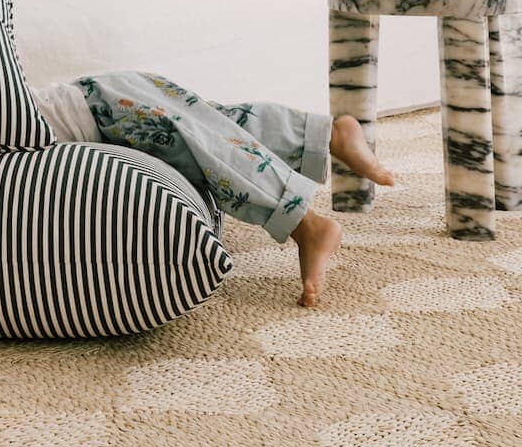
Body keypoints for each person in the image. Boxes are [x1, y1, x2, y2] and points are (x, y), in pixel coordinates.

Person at [34, 72, 395, 309]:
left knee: (205, 150)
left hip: (94, 106)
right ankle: (327, 135)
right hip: (98, 96)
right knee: (217, 126)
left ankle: (305, 223)